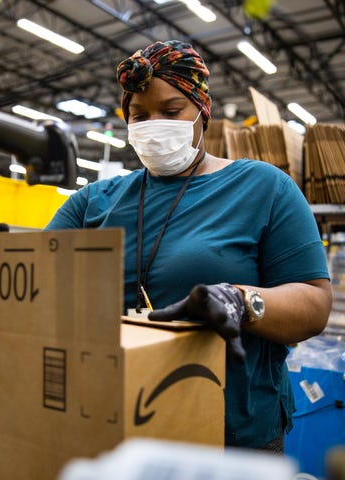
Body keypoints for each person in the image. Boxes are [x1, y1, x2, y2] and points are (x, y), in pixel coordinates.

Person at [45, 40, 332, 451]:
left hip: (231, 436)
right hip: (115, 426)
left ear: (201, 110)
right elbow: (33, 278)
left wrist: (240, 300)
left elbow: (315, 304)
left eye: (171, 111)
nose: (153, 124)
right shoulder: (92, 202)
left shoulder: (264, 187)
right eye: (139, 115)